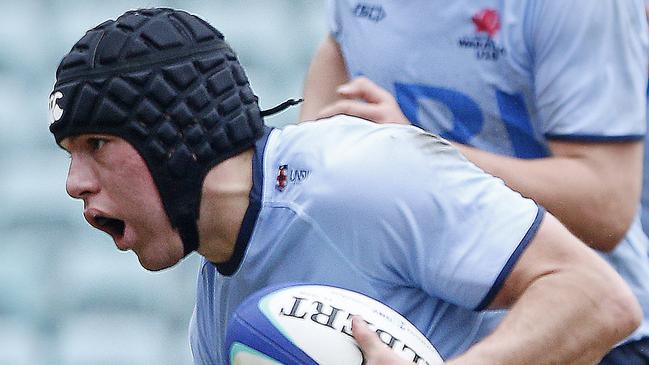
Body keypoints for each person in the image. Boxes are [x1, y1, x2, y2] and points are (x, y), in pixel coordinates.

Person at [50, 8, 641, 365]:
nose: (75, 184)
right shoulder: (218, 312)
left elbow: (599, 302)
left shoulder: (357, 174)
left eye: (97, 145)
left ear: (173, 138)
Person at [300, 1, 649, 363]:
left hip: (580, 337)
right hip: (411, 336)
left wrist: (417, 151)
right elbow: (336, 61)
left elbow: (605, 206)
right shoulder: (351, 12)